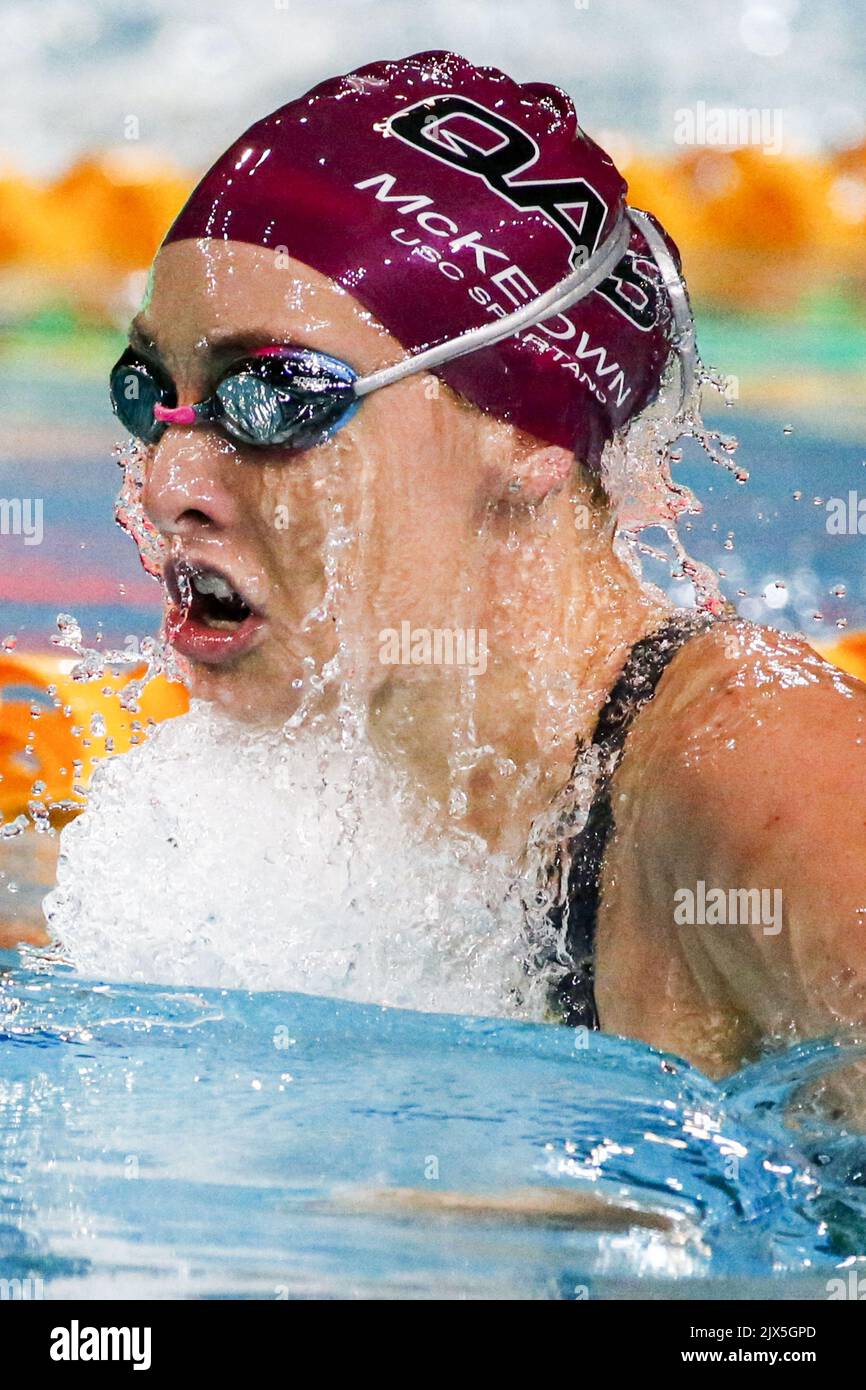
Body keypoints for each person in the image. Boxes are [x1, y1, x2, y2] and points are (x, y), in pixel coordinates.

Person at [95, 51, 866, 1078]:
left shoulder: (755, 783)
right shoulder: (304, 799)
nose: (166, 479)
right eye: (150, 391)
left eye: (276, 394)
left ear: (523, 434)